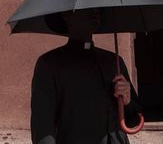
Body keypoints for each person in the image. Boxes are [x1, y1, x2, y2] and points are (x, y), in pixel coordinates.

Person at [31, 9, 141, 144]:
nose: (95, 13)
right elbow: (42, 127)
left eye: (97, 8)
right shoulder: (49, 64)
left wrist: (127, 101)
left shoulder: (114, 62)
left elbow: (134, 119)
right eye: (86, 9)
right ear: (66, 16)